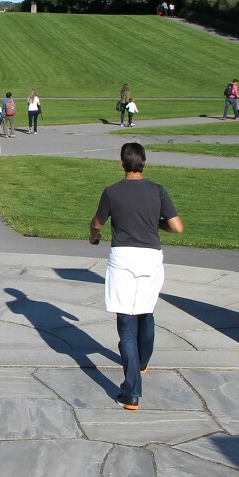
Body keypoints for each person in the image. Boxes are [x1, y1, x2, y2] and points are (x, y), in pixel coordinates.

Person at [89, 142, 184, 410]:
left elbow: (98, 223)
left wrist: (93, 236)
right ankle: (142, 362)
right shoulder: (157, 190)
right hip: (151, 257)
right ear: (144, 163)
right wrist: (156, 223)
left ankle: (131, 392)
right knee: (146, 311)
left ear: (122, 163)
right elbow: (177, 227)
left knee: (126, 320)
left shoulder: (112, 192)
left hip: (123, 258)